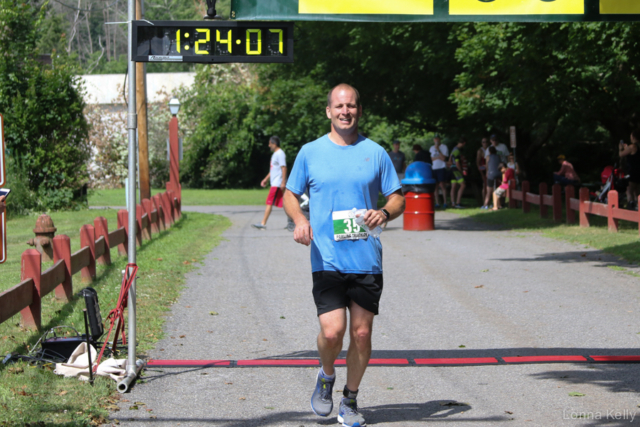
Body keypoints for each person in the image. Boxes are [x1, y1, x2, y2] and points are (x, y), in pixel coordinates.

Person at [283, 83, 405, 427]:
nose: (345, 111)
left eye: (351, 106)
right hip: (326, 257)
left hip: (366, 258)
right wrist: (300, 219)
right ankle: (326, 375)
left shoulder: (376, 153)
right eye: (339, 106)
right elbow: (290, 195)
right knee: (333, 332)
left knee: (362, 334)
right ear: (328, 111)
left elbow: (398, 198)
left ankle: (350, 400)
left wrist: (384, 212)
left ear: (359, 111)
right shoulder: (310, 152)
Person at [252, 136, 287, 229]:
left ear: (274, 144)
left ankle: (263, 223)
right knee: (286, 202)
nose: (269, 145)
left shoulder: (280, 154)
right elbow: (273, 169)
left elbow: (284, 168)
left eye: (270, 144)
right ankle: (292, 222)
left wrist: (283, 182)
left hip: (277, 183)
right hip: (275, 182)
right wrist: (266, 179)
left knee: (270, 202)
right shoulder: (275, 154)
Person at [619, 130, 640, 209]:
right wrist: (627, 148)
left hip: (632, 171)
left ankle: (631, 206)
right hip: (638, 172)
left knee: (629, 190)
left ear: (634, 137)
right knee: (637, 191)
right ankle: (637, 207)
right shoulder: (637, 146)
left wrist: (620, 148)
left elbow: (621, 154)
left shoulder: (632, 146)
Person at [430, 134, 449, 208]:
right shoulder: (431, 148)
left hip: (441, 167)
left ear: (440, 139)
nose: (436, 140)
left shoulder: (444, 147)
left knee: (442, 185)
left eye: (438, 139)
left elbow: (444, 158)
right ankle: (437, 203)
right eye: (435, 139)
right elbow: (431, 159)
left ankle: (445, 202)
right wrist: (439, 157)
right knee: (436, 186)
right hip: (434, 168)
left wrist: (438, 150)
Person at [449, 137, 467, 209]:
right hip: (456, 169)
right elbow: (457, 163)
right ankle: (458, 203)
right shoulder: (457, 151)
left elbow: (450, 160)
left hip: (452, 169)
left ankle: (453, 203)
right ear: (464, 143)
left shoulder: (453, 149)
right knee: (463, 185)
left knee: (453, 186)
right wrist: (460, 171)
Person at [476, 137, 489, 203]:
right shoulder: (480, 151)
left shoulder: (490, 149)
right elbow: (478, 163)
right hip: (483, 170)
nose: (485, 143)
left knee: (489, 186)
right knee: (484, 185)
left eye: (486, 141)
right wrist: (481, 172)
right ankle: (484, 201)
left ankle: (489, 201)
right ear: (481, 143)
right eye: (483, 142)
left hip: (489, 169)